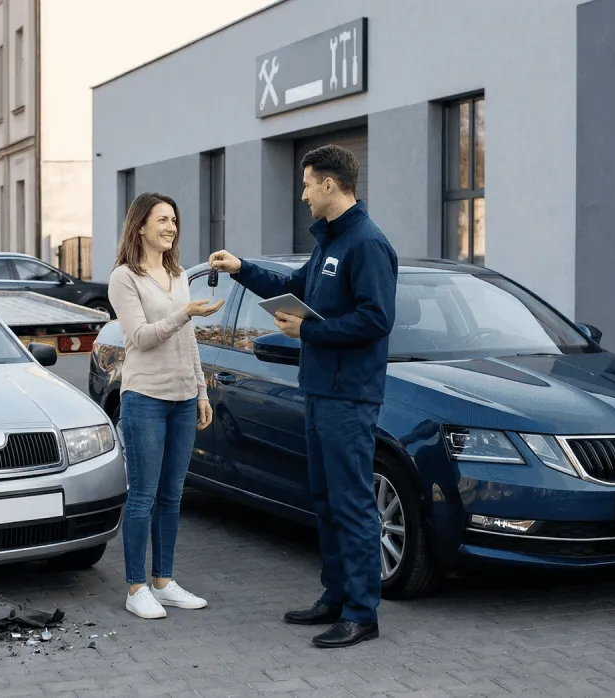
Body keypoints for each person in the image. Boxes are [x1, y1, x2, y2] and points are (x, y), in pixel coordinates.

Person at [209, 144, 398, 648]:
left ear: (331, 184)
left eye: (308, 183)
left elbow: (377, 319)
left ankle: (362, 613)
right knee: (326, 500)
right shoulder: (328, 244)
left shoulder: (367, 244)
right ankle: (335, 597)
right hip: (318, 391)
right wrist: (241, 268)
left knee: (353, 504)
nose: (303, 194)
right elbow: (292, 283)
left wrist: (308, 332)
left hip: (349, 398)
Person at [108, 192, 225, 620]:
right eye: (162, 220)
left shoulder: (177, 272)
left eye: (174, 220)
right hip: (145, 399)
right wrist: (185, 313)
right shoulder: (124, 277)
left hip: (181, 398)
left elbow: (187, 338)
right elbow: (138, 337)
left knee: (172, 495)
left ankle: (164, 580)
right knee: (143, 495)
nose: (171, 227)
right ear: (140, 226)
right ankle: (136, 587)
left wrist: (201, 390)